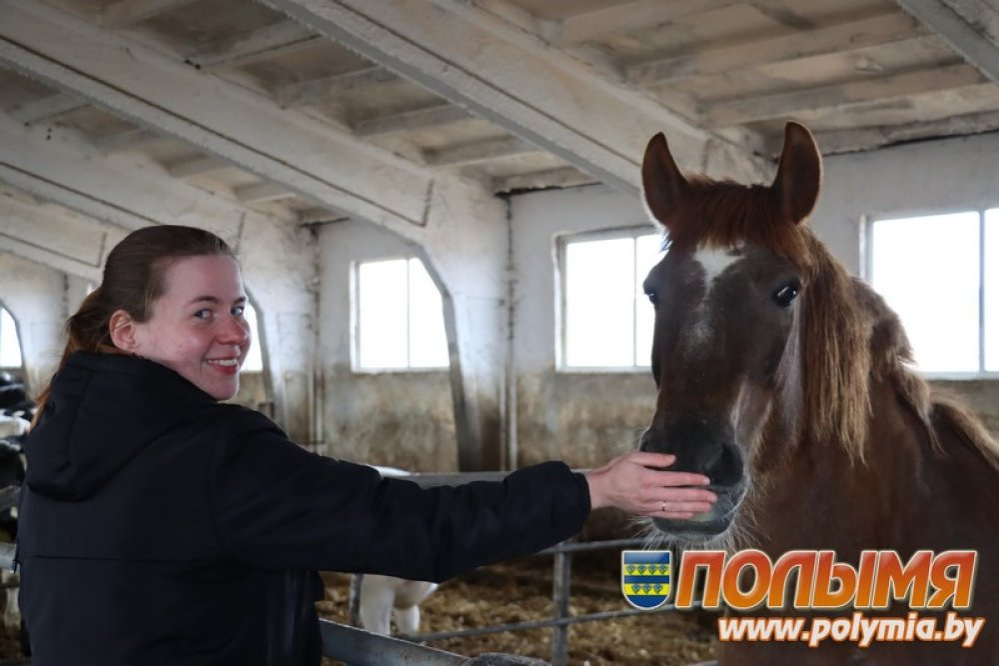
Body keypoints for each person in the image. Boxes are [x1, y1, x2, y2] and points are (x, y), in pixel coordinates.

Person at [17, 225, 716, 665]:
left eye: (238, 308)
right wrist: (593, 488)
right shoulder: (216, 454)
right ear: (126, 331)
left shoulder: (55, 445)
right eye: (203, 313)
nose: (234, 333)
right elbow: (415, 526)